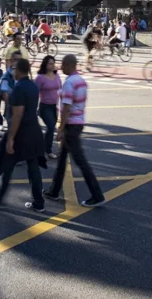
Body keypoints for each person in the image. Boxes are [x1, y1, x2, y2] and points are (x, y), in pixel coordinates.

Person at [0, 57, 47, 213]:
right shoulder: (33, 86)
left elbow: (17, 116)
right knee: (33, 167)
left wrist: (10, 139)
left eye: (14, 68)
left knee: (6, 165)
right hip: (34, 131)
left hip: (21, 133)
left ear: (20, 70)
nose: (12, 71)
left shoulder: (18, 89)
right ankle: (39, 202)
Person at [43, 54, 105, 208]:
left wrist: (61, 128)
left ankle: (97, 195)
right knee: (62, 158)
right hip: (79, 122)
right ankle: (54, 190)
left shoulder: (70, 83)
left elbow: (67, 108)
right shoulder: (81, 81)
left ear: (69, 65)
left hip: (71, 125)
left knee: (80, 160)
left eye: (63, 64)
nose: (61, 67)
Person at [35, 55, 62, 159]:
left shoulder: (57, 76)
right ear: (45, 65)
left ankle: (45, 148)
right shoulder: (40, 78)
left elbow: (61, 89)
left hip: (54, 106)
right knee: (51, 127)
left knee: (50, 129)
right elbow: (35, 93)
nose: (52, 65)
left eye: (53, 63)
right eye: (50, 63)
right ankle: (48, 150)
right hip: (44, 106)